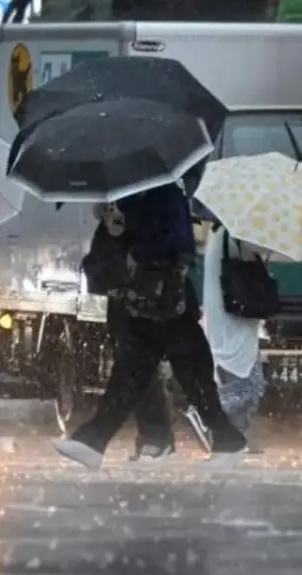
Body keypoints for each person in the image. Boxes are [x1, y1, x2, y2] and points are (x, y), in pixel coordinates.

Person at [53, 184, 247, 469]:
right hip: (151, 304)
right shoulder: (135, 194)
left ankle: (96, 440)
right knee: (143, 372)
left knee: (163, 372)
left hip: (164, 302)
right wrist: (113, 224)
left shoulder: (165, 195)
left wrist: (126, 227)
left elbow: (175, 245)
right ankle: (94, 441)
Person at [83, 203, 176, 461]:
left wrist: (123, 227)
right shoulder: (116, 214)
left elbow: (153, 250)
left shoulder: (152, 204)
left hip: (143, 298)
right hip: (122, 301)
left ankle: (154, 437)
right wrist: (111, 227)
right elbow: (102, 263)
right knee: (134, 366)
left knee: (137, 367)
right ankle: (153, 436)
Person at [184, 224, 267, 451]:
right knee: (250, 388)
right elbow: (255, 253)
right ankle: (204, 411)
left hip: (227, 319)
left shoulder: (219, 233)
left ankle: (229, 440)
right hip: (235, 321)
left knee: (240, 383)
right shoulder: (237, 234)